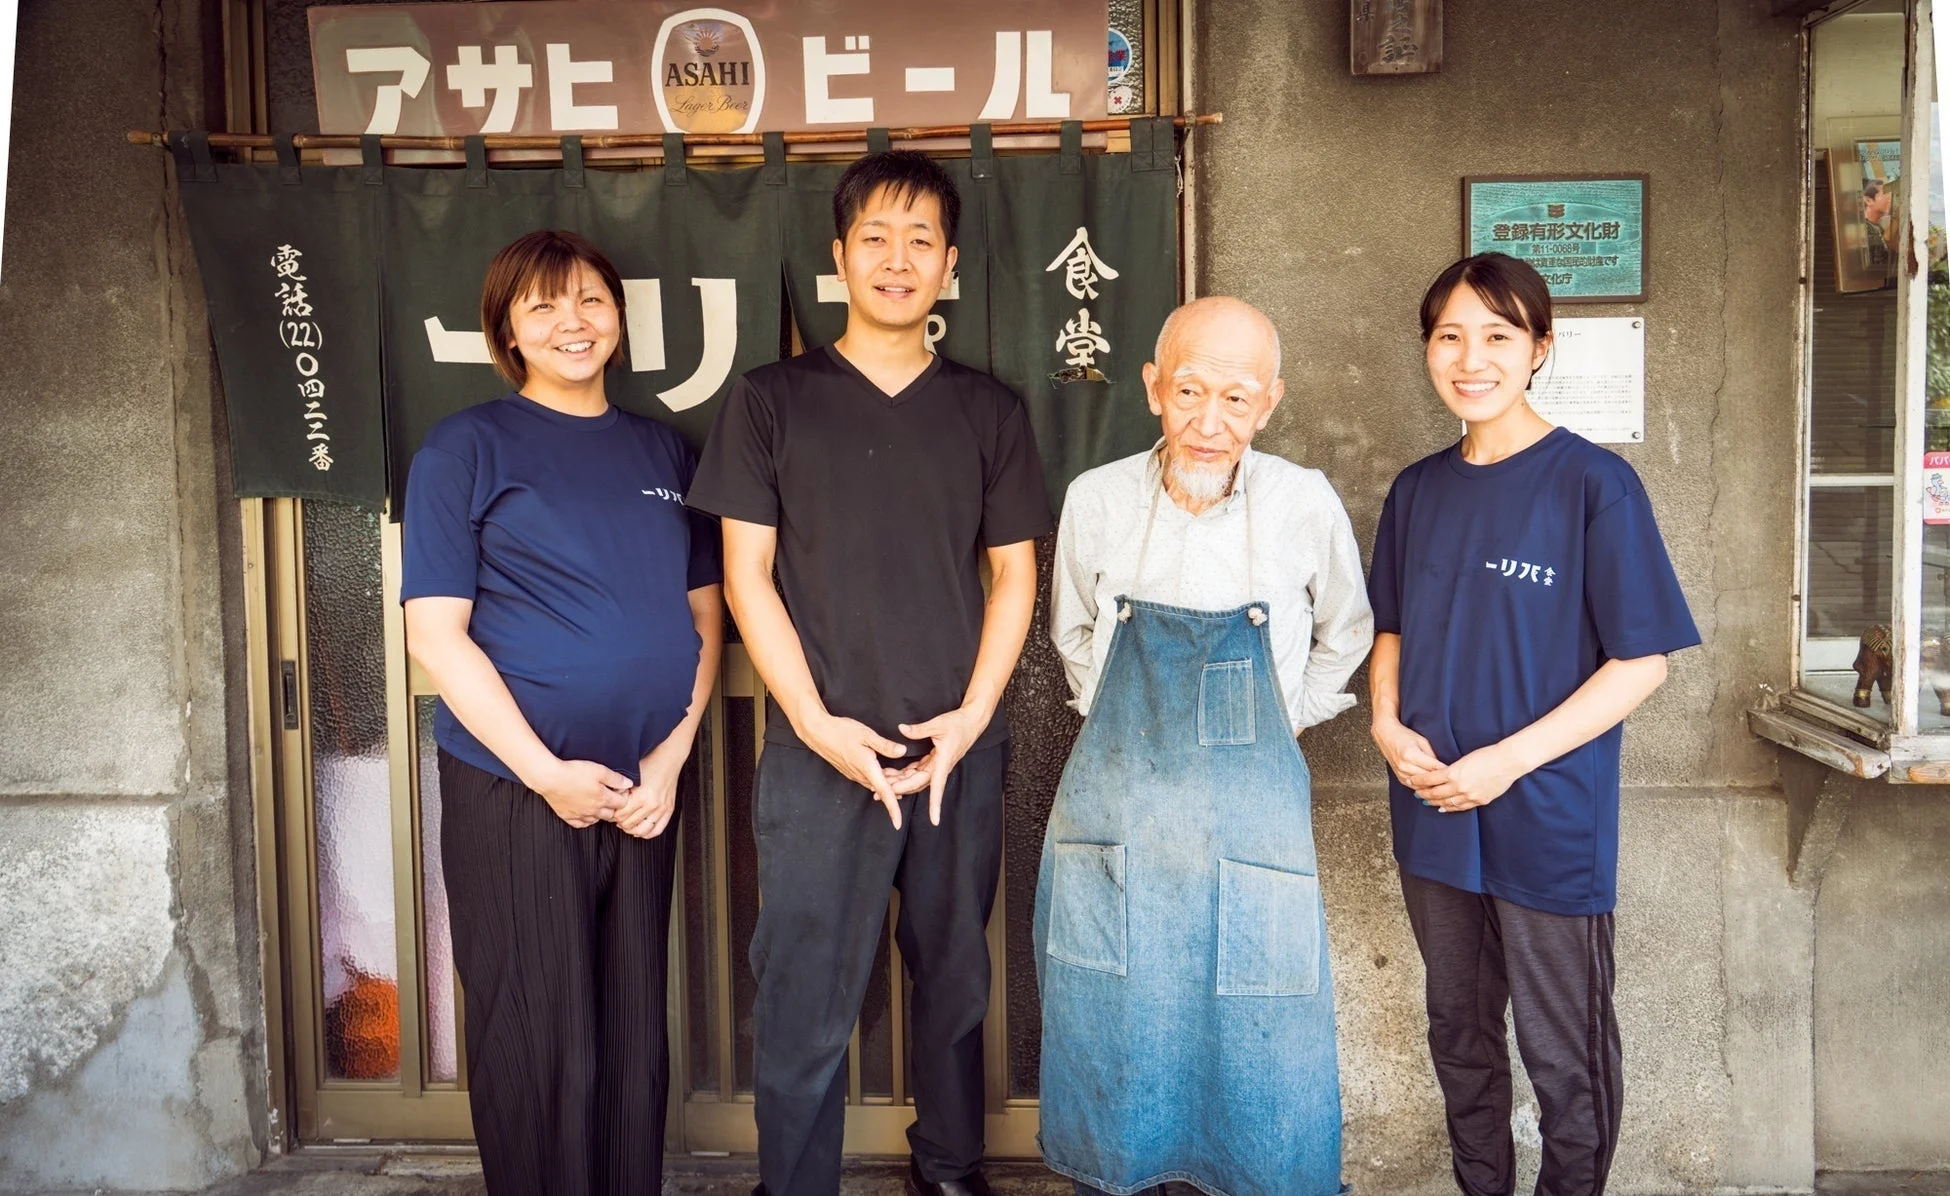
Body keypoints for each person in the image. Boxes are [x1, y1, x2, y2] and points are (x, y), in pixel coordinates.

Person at [688, 150, 1053, 1196]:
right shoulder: (771, 401)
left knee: (954, 973)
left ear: (951, 264)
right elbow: (745, 575)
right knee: (803, 981)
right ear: (839, 256)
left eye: (922, 240)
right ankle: (792, 1180)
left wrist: (972, 719)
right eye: (876, 239)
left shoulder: (990, 410)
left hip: (954, 746)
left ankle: (947, 1165)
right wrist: (812, 720)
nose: (899, 259)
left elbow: (1015, 577)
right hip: (818, 752)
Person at [1367, 252, 1700, 1196]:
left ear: (1540, 350)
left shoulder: (1593, 485)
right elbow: (1390, 628)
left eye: (1498, 336)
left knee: (1566, 1058)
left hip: (1548, 819)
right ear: (1428, 349)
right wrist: (1387, 725)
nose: (1472, 358)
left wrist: (1503, 764)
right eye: (1450, 337)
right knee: (1460, 1040)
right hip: (1432, 816)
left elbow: (1643, 663)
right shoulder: (1416, 492)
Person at [399, 229, 723, 1195]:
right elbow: (436, 634)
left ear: (619, 318)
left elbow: (704, 623)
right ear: (506, 330)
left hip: (640, 791)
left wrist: (666, 767)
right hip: (515, 789)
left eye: (588, 300)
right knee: (542, 1039)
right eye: (541, 306)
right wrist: (545, 774)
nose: (570, 323)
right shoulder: (466, 446)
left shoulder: (665, 447)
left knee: (630, 1039)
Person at [1039, 296, 1372, 1196]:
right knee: (1118, 1019)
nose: (1209, 420)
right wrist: (1120, 718)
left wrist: (1280, 716)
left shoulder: (1304, 503)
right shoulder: (1096, 499)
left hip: (1251, 824)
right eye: (1189, 390)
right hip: (1120, 813)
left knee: (1263, 1034)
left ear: (1269, 403)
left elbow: (1349, 632)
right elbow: (1071, 633)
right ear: (1153, 388)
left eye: (1236, 397)